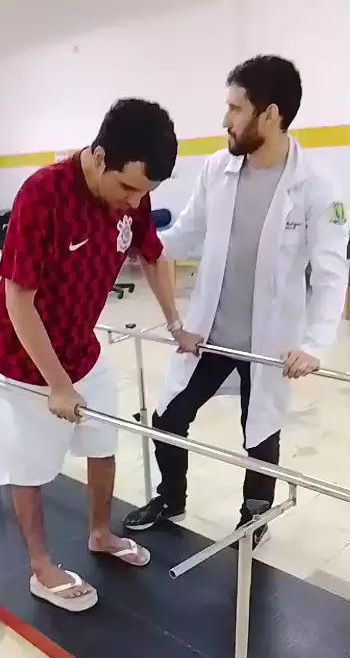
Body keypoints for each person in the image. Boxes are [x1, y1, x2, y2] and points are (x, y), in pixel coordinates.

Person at [124, 55, 349, 545]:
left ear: (270, 114)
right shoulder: (218, 169)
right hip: (212, 332)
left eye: (235, 108)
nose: (224, 119)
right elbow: (186, 234)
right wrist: (136, 241)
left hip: (269, 342)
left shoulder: (318, 185)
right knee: (168, 416)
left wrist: (314, 345)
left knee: (260, 430)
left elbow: (332, 274)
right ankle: (171, 497)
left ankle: (254, 514)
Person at [0, 98, 194, 612]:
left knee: (104, 442)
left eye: (143, 192)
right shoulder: (43, 194)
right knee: (29, 466)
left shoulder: (132, 193)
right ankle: (41, 567)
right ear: (100, 157)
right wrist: (57, 384)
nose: (134, 202)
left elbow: (153, 256)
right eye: (127, 188)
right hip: (26, 359)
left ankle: (100, 534)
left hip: (84, 347)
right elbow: (18, 298)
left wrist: (177, 325)